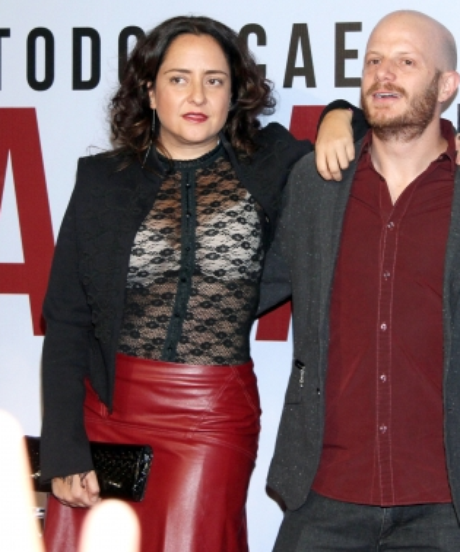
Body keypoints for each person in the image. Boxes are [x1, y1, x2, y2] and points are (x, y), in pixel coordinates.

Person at [39, 14, 365, 552]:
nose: (197, 95)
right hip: (108, 411)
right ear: (150, 91)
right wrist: (63, 449)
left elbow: (366, 130)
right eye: (178, 78)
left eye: (214, 80)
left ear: (234, 93)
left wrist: (338, 115)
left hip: (210, 417)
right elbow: (67, 319)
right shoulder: (102, 181)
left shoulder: (270, 162)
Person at [259, 9, 460, 552]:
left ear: (447, 85)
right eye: (373, 61)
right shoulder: (316, 181)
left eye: (406, 62)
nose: (383, 73)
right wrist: (335, 114)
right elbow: (246, 289)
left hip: (446, 507)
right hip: (324, 495)